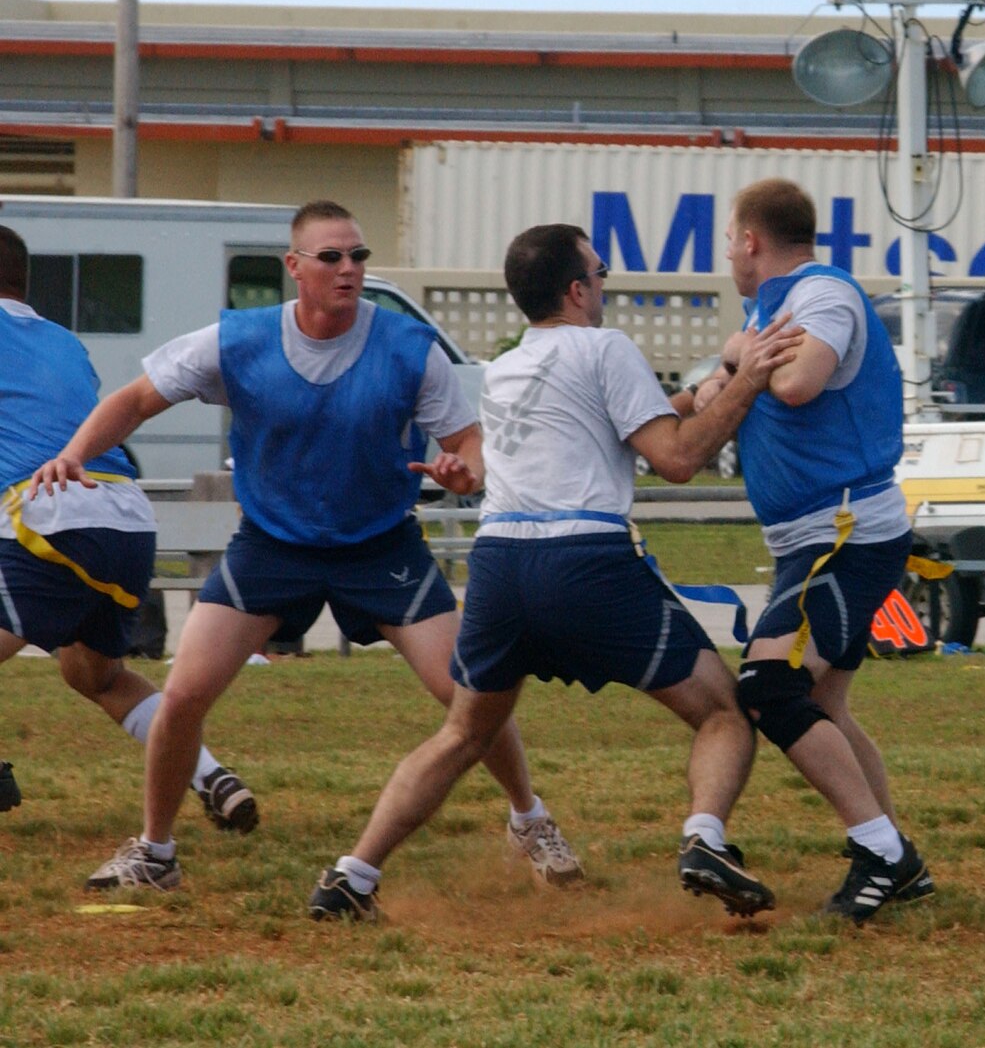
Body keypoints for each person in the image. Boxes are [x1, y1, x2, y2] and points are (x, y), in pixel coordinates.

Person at [33, 202, 577, 892]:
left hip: (380, 546)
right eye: (332, 257)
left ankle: (529, 819)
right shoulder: (237, 340)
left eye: (358, 256)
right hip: (272, 545)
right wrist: (74, 453)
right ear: (294, 268)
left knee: (472, 694)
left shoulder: (409, 347)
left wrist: (466, 468)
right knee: (184, 696)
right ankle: (156, 852)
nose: (350, 268)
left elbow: (466, 443)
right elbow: (137, 400)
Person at [306, 224, 802, 921]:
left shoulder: (511, 364)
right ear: (577, 289)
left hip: (501, 564)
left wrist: (712, 386)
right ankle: (704, 838)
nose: (604, 284)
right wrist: (749, 379)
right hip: (585, 563)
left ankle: (351, 875)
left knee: (463, 734)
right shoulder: (606, 347)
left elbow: (619, 422)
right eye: (600, 273)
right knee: (723, 710)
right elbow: (677, 456)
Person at [699, 178, 932, 922]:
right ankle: (896, 852)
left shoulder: (822, 292)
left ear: (749, 241)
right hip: (819, 538)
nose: (727, 256)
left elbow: (798, 383)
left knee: (770, 687)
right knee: (825, 701)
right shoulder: (767, 311)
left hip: (845, 532)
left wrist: (741, 357)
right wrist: (733, 357)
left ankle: (884, 853)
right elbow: (740, 376)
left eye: (729, 242)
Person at [0, 225, 254, 841]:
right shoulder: (64, 342)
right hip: (126, 520)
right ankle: (210, 775)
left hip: (47, 516)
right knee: (95, 674)